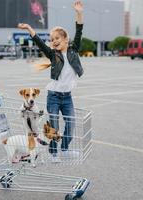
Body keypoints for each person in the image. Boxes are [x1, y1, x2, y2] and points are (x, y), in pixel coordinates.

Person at [18, 0, 84, 159]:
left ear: (66, 39)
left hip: (67, 97)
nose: (53, 41)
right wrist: (28, 28)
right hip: (53, 96)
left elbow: (79, 30)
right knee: (54, 125)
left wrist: (79, 12)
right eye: (52, 39)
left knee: (71, 123)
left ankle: (65, 149)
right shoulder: (53, 55)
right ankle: (54, 152)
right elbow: (39, 43)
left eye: (57, 38)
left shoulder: (74, 50)